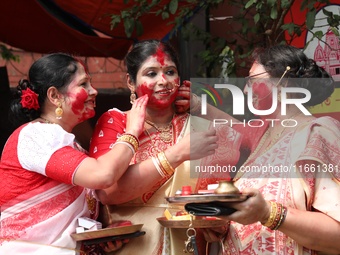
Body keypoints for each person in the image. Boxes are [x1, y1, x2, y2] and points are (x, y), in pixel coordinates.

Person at [89, 39, 242, 254]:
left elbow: (252, 139)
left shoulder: (197, 126)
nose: (164, 80)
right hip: (134, 246)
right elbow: (106, 192)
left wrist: (201, 107)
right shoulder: (117, 122)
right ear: (131, 82)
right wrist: (176, 154)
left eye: (170, 71)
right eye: (151, 74)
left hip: (190, 245)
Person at [0, 53, 149, 255]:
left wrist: (102, 236)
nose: (93, 91)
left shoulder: (72, 147)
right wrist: (132, 131)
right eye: (84, 84)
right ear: (54, 96)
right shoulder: (36, 136)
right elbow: (103, 175)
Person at [202, 45, 340, 254]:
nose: (246, 90)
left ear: (282, 83)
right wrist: (224, 226)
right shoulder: (264, 135)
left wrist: (268, 213)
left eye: (253, 81)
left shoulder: (317, 133)